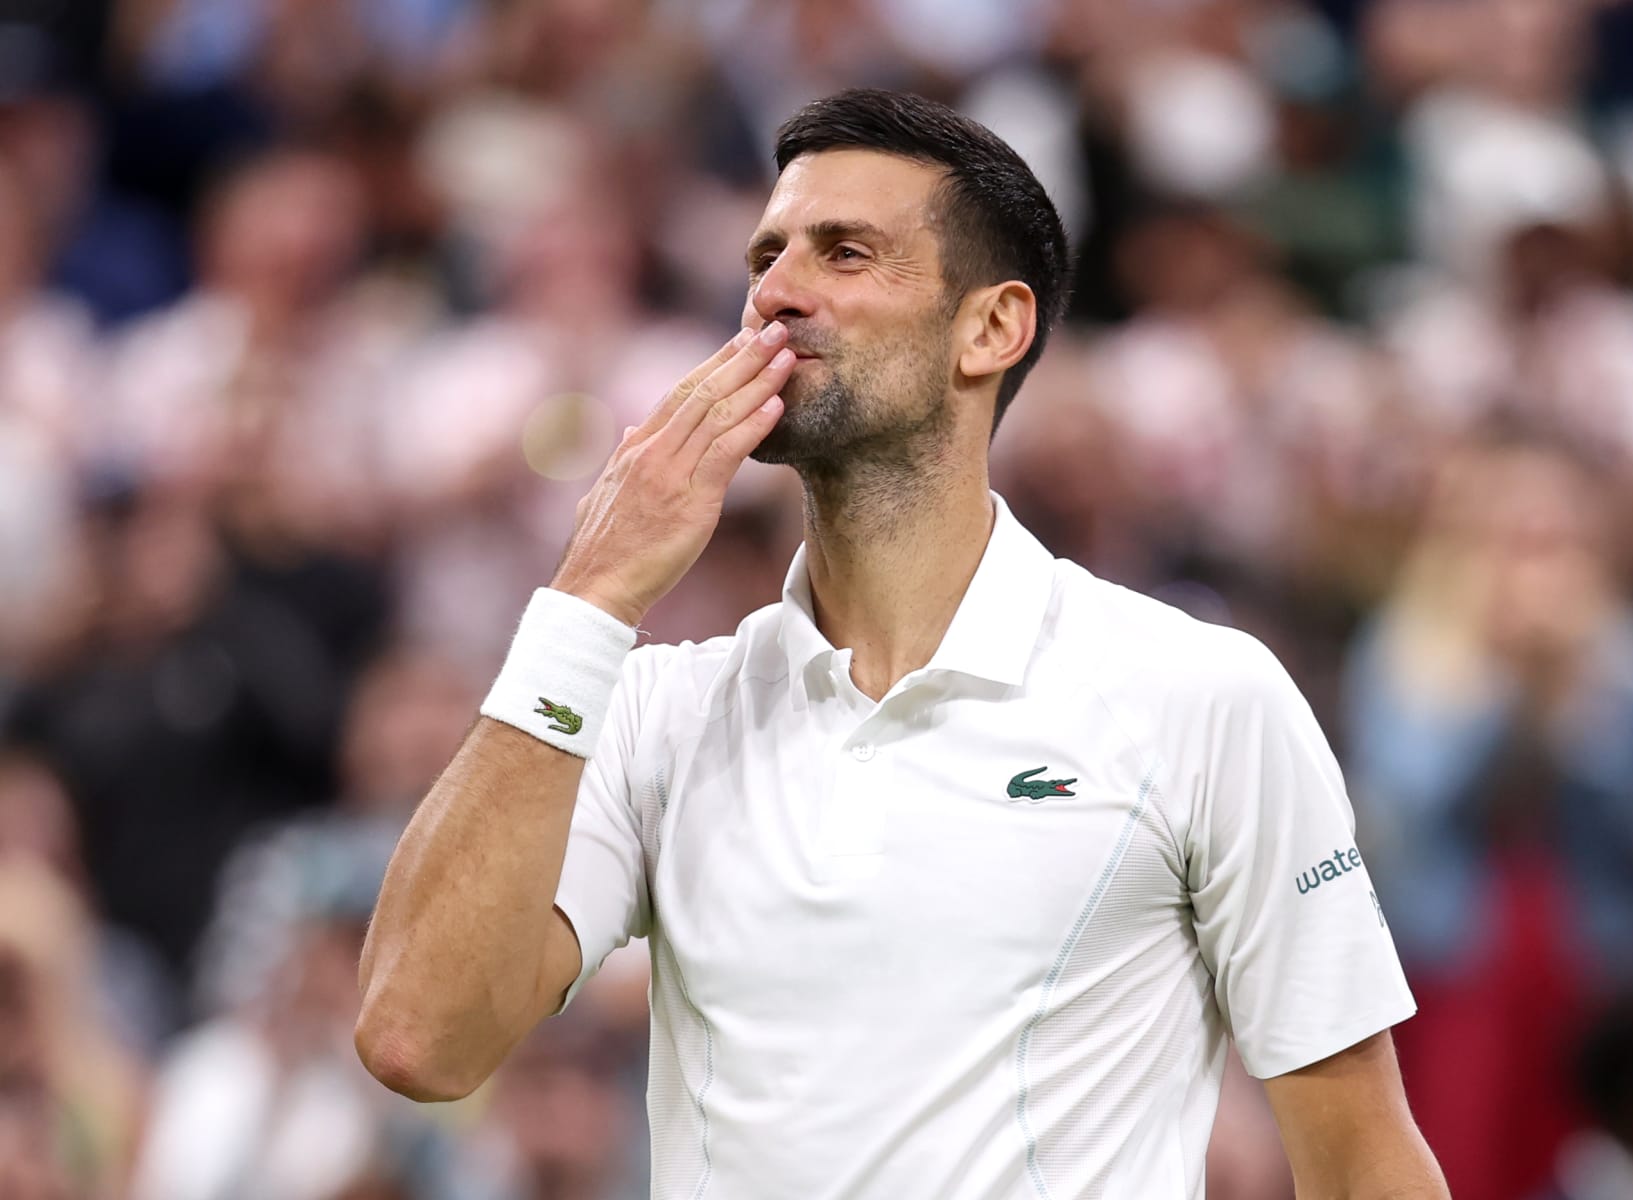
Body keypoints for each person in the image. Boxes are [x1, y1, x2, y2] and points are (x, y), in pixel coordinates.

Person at [356, 88, 1445, 1199]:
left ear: (993, 328)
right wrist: (587, 599)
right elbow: (416, 1038)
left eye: (845, 253)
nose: (776, 295)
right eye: (767, 257)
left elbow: (1364, 1163)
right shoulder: (652, 709)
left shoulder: (1200, 694)